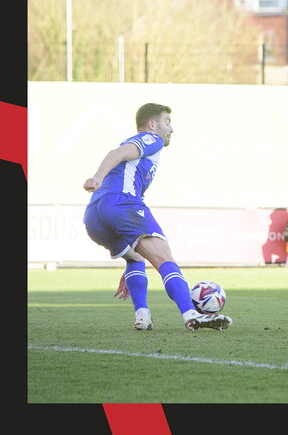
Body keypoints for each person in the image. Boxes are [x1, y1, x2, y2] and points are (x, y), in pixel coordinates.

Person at [84, 103, 232, 332]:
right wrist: (97, 177)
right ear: (153, 124)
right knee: (165, 259)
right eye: (167, 122)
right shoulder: (151, 139)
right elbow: (117, 153)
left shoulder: (140, 156)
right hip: (121, 202)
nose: (171, 129)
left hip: (94, 216)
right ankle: (191, 314)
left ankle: (142, 315)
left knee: (135, 259)